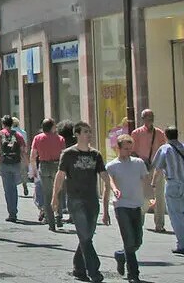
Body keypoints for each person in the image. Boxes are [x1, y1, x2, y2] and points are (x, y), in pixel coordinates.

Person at [52, 121, 111, 283]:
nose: (88, 134)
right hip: (75, 200)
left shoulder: (95, 155)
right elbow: (60, 175)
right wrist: (55, 197)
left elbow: (104, 175)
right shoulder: (68, 154)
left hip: (92, 200)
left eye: (89, 131)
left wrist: (112, 186)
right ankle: (94, 270)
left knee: (87, 236)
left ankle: (78, 268)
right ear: (76, 134)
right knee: (85, 236)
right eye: (85, 131)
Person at [107, 133, 149, 282]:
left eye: (130, 149)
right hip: (122, 205)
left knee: (137, 241)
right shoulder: (112, 166)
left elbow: (145, 179)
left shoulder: (138, 163)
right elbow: (110, 181)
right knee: (129, 241)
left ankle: (120, 255)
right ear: (118, 148)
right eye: (125, 149)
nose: (128, 152)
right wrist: (115, 189)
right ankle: (133, 274)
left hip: (136, 205)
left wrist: (150, 198)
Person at [132, 108, 167, 232]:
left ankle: (159, 224)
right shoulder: (136, 133)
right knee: (144, 197)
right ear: (143, 119)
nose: (150, 119)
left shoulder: (160, 133)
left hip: (157, 168)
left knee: (160, 197)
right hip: (143, 168)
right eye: (147, 116)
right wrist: (142, 160)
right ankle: (139, 221)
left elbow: (163, 150)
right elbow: (133, 151)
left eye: (152, 116)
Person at [150, 125, 184, 255]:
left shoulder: (165, 149)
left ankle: (181, 244)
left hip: (173, 184)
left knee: (176, 215)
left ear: (165, 135)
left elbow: (157, 168)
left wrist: (153, 183)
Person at [29, 118, 65, 230]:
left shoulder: (37, 138)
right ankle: (58, 215)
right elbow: (64, 154)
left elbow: (33, 155)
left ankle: (51, 223)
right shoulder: (60, 139)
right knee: (58, 192)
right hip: (57, 165)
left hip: (44, 166)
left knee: (47, 194)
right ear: (52, 127)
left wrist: (34, 169)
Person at [0, 114, 27, 222]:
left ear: (3, 124)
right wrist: (25, 163)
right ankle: (14, 211)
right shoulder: (18, 135)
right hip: (16, 163)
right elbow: (23, 150)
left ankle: (11, 213)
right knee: (14, 188)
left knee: (8, 189)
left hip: (4, 164)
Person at [12, 116, 30, 197]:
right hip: (22, 153)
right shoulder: (23, 132)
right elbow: (25, 143)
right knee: (23, 170)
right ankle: (24, 184)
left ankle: (14, 186)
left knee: (14, 170)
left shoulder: (10, 133)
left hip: (13, 154)